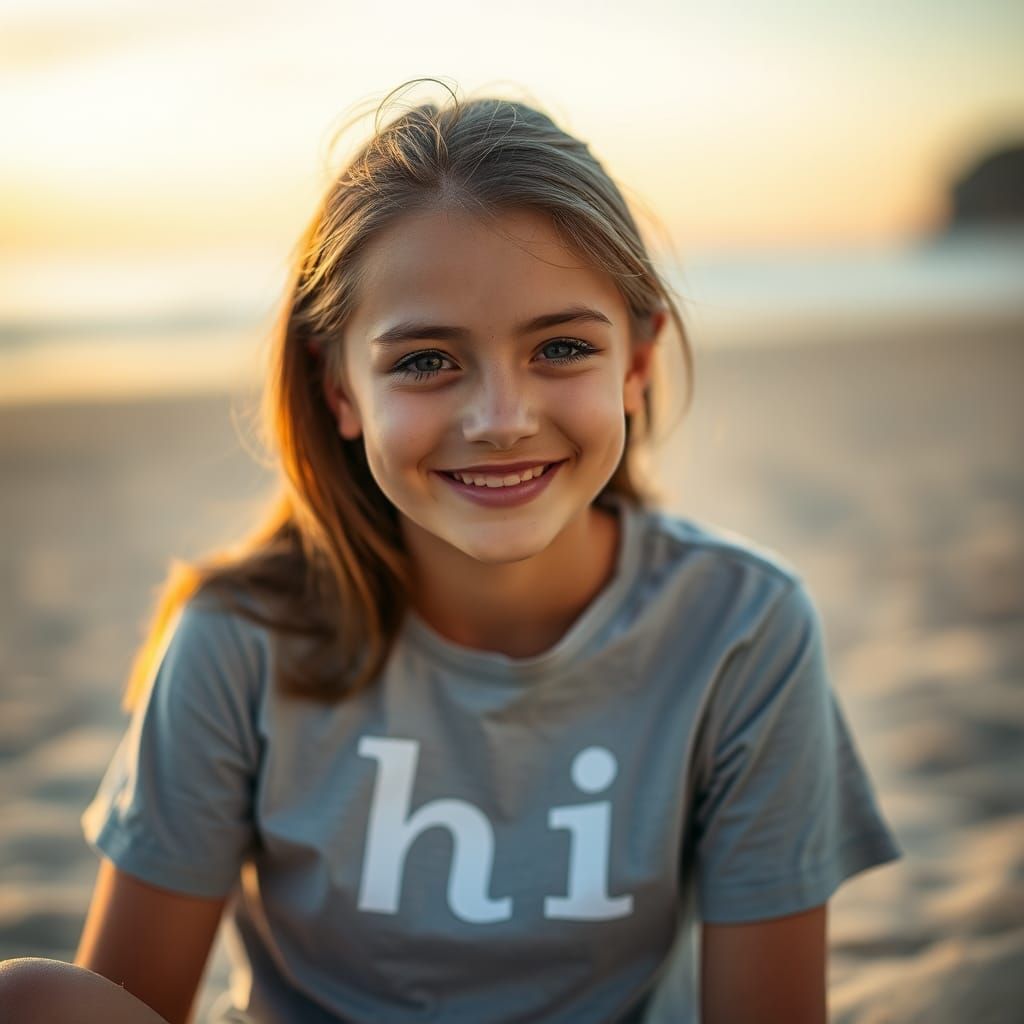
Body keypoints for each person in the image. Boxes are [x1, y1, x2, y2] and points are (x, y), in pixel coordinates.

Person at [0, 78, 902, 1024]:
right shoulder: (238, 639)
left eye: (560, 348)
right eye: (426, 361)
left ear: (637, 361)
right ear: (340, 388)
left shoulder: (740, 628)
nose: (501, 420)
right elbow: (125, 1004)